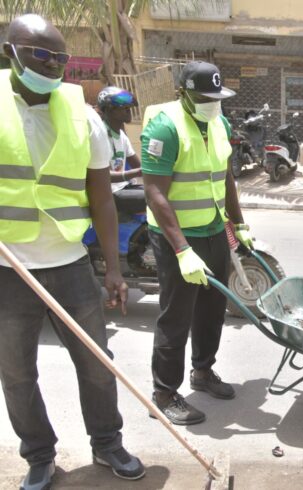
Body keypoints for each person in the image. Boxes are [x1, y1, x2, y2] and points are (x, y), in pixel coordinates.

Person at [0, 14, 145, 489]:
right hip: (8, 268)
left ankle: (107, 444)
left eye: (59, 56)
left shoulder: (83, 115)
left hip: (68, 264)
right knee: (17, 374)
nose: (51, 64)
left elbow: (101, 197)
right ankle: (40, 456)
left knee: (97, 364)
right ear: (12, 52)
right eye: (40, 54)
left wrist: (115, 270)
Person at [141, 61, 253, 425]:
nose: (212, 102)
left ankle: (202, 372)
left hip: (213, 229)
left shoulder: (220, 123)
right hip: (176, 237)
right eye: (204, 97)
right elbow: (155, 191)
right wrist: (181, 249)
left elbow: (226, 177)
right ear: (184, 93)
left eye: (217, 96)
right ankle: (164, 393)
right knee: (176, 316)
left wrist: (239, 222)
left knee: (211, 310)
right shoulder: (165, 126)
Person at [96, 86, 146, 214]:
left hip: (125, 188)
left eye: (129, 107)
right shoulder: (99, 136)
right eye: (123, 108)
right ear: (108, 110)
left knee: (165, 192)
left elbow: (139, 166)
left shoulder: (122, 135)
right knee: (153, 198)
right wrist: (136, 173)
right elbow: (103, 176)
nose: (128, 111)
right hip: (109, 194)